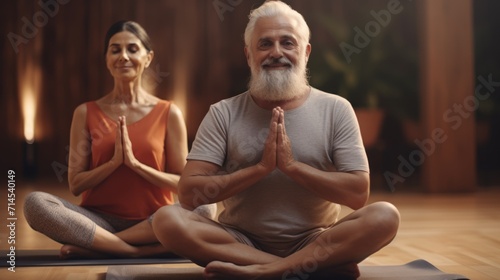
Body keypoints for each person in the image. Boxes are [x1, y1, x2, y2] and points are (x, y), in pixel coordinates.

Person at [151, 1, 400, 279]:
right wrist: (259, 169)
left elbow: (357, 194)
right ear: (249, 55)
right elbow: (188, 194)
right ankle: (295, 269)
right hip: (239, 242)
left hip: (315, 241)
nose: (276, 52)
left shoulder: (336, 109)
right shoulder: (223, 113)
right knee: (167, 219)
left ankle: (266, 271)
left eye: (287, 43)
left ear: (305, 52)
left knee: (385, 215)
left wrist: (293, 167)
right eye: (265, 44)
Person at [23, 20, 216, 259]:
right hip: (98, 221)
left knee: (206, 206)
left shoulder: (169, 113)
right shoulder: (85, 112)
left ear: (148, 57)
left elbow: (181, 183)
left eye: (132, 49)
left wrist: (136, 165)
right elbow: (76, 184)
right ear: (107, 59)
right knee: (35, 203)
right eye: (115, 50)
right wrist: (113, 164)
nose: (123, 56)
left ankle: (106, 247)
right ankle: (141, 251)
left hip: (155, 220)